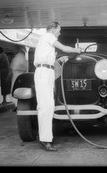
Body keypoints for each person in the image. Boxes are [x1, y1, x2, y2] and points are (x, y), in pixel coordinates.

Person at [33, 21, 81, 151]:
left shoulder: (45, 40)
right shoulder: (48, 36)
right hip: (44, 72)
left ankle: (45, 137)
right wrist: (77, 50)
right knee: (45, 106)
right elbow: (64, 48)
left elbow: (48, 59)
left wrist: (59, 60)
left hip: (47, 71)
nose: (59, 33)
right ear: (53, 29)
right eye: (58, 30)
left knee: (48, 105)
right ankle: (45, 139)